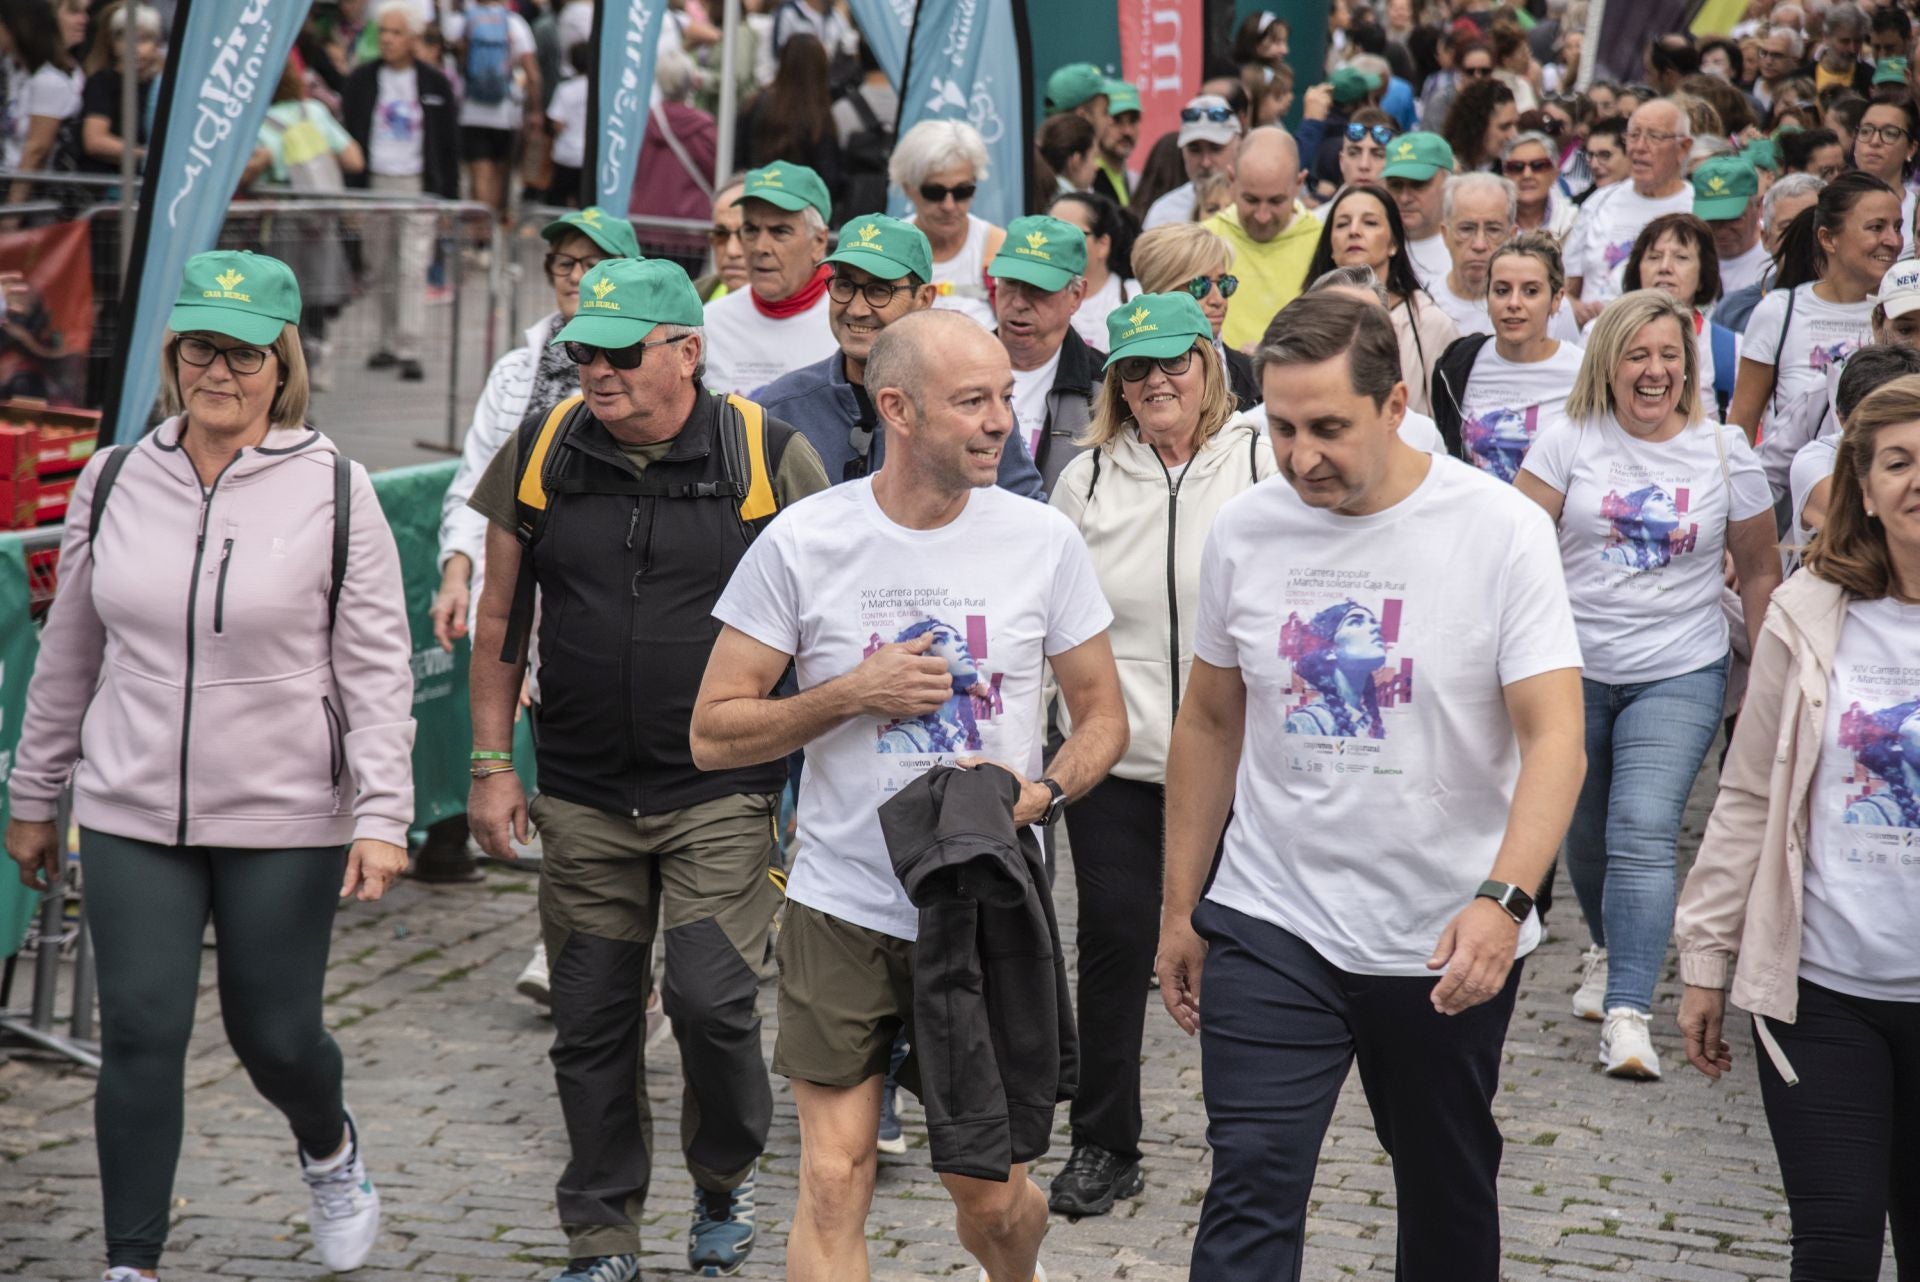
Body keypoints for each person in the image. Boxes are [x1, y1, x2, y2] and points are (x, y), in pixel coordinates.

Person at [690, 307, 1129, 1282]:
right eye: (971, 401)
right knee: (833, 1177)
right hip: (841, 897)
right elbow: (714, 728)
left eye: (1005, 397)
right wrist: (854, 692)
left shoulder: (1041, 540)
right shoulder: (807, 542)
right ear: (897, 407)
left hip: (981, 895)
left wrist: (1041, 789)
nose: (999, 421)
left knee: (993, 1199)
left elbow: (1103, 718)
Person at [1158, 288, 1585, 1279]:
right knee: (1251, 1179)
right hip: (1273, 917)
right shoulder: (1245, 531)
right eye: (1283, 427)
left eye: (1329, 428)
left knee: (1445, 1187)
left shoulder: (1496, 530)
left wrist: (1504, 900)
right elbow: (1210, 721)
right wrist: (1184, 906)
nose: (1303, 454)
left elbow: (1556, 735)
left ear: (1395, 406)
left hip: (1443, 933)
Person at [5, 250, 415, 1282]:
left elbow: (375, 666)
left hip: (284, 808)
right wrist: (34, 793)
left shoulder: (336, 486)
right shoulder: (112, 476)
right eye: (199, 350)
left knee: (274, 1035)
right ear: (173, 357)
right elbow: (71, 650)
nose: (217, 373)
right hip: (133, 800)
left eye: (240, 353)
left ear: (281, 363)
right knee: (141, 1029)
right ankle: (131, 1263)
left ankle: (329, 1147)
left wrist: (383, 815)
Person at [465, 258, 830, 1282]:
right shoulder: (542, 448)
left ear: (687, 351)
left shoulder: (768, 455)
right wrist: (493, 762)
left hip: (719, 786)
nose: (597, 370)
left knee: (714, 1001)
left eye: (621, 352)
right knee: (590, 1016)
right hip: (580, 790)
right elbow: (500, 617)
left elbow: (834, 624)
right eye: (583, 349)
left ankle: (723, 1176)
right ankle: (602, 1235)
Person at [1675, 374, 1920, 1279]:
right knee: (1834, 1243)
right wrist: (1704, 960)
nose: (1917, 480)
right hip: (1823, 993)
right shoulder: (1806, 614)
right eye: (1897, 461)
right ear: (1861, 484)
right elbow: (1744, 798)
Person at [1044, 291, 1274, 1219]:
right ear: (1116, 384)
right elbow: (1050, 621)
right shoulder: (1086, 480)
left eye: (1172, 361)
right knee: (1111, 944)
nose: (1155, 382)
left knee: (1246, 953)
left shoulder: (1261, 459)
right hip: (1120, 762)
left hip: (1241, 767)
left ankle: (1250, 1141)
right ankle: (1104, 1143)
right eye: (1135, 369)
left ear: (1209, 360)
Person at [1513, 290, 1780, 1077]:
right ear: (1609, 363)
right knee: (1584, 835)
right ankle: (1603, 945)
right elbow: (1517, 557)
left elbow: (1761, 570)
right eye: (1638, 355)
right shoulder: (1565, 442)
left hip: (1680, 668)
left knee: (1641, 828)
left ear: (1688, 367)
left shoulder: (1726, 451)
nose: (1655, 370)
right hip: (1571, 669)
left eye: (1669, 355)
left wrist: (1766, 678)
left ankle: (1629, 1011)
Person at [756, 211, 1043, 496]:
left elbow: (1026, 513)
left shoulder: (972, 401)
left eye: (879, 290)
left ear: (924, 299)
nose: (856, 309)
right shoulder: (783, 408)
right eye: (845, 285)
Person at [1730, 172, 1901, 497]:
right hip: (1800, 509)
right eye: (1876, 227)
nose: (1893, 240)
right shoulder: (1781, 311)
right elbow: (1741, 427)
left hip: (1892, 500)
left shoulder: (1905, 314)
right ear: (1828, 238)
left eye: (1897, 226)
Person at [341, 0, 459, 382]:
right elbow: (350, 134)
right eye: (384, 33)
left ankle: (409, 346)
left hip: (418, 185)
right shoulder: (361, 81)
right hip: (375, 183)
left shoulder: (435, 83)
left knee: (412, 267)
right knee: (379, 266)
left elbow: (447, 143)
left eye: (395, 33)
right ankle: (385, 342)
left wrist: (448, 200)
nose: (387, 40)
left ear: (412, 39)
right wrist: (351, 197)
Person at [1431, 231, 1585, 480]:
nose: (1513, 303)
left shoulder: (1584, 372)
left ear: (1556, 300)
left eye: (1531, 291)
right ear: (1488, 296)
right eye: (1502, 290)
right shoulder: (1457, 364)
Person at [1302, 181, 1460, 416]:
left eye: (1370, 222)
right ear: (1331, 248)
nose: (1354, 231)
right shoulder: (1303, 320)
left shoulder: (1430, 323)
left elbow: (1447, 416)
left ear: (1394, 243)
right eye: (1343, 224)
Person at [702, 161, 839, 395]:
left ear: (819, 241)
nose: (760, 247)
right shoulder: (710, 322)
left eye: (779, 231)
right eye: (751, 230)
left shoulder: (848, 321)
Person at [989, 214, 1103, 491]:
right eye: (1009, 283)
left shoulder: (1107, 385)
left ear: (1076, 296)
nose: (1018, 302)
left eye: (1037, 289)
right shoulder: (954, 367)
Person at [1565, 99, 1696, 325]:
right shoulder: (1599, 201)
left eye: (1654, 137)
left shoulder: (1696, 207)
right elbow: (1567, 287)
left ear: (1682, 148)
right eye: (1633, 136)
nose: (1639, 147)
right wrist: (1576, 309)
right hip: (1596, 341)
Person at [1203, 127, 1321, 353]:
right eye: (1251, 200)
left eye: (1276, 201)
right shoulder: (1203, 242)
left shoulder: (1326, 243)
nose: (1262, 216)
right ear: (1231, 181)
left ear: (1299, 184)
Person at [890, 119, 1005, 330]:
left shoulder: (999, 248)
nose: (949, 205)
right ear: (908, 188)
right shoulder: (887, 251)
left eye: (962, 191)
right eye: (935, 192)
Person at [1133, 222, 1259, 409]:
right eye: (1200, 286)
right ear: (1161, 291)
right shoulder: (1126, 374)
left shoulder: (1254, 373)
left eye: (1225, 284)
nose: (1218, 300)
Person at [1620, 212, 1729, 418]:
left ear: (1703, 276)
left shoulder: (1730, 349)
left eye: (1681, 258)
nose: (1664, 268)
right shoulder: (1598, 334)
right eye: (1654, 257)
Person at [443, 0, 541, 225]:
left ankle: (480, 238)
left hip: (470, 111)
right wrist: (535, 111)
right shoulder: (515, 24)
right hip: (506, 114)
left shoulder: (462, 21)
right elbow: (533, 74)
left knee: (479, 177)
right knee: (499, 177)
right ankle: (493, 235)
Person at [1716, 171, 1826, 333]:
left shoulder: (1861, 300)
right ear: (1766, 239)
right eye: (1787, 227)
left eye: (1810, 225)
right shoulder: (1735, 310)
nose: (1799, 236)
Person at [738, 33, 841, 195]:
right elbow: (829, 177)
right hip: (801, 203)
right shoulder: (818, 116)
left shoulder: (755, 104)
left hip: (756, 195)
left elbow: (739, 159)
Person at [1, 0, 83, 205]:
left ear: (15, 28)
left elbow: (37, 150)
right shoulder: (17, 73)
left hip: (33, 197)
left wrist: (14, 211)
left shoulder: (49, 81)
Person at [1426, 172, 1516, 335]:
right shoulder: (1421, 307)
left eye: (1493, 230)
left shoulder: (1543, 308)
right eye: (1466, 229)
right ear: (1445, 234)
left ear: (1512, 235)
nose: (1479, 244)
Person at [78, 2, 159, 175]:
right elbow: (95, 141)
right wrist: (148, 155)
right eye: (126, 39)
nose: (135, 48)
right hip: (107, 186)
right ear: (113, 43)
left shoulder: (159, 85)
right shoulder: (103, 82)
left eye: (143, 40)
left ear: (156, 45)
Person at [1142, 95, 1244, 231]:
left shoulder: (1257, 206)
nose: (1205, 162)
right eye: (1195, 150)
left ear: (1238, 146)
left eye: (1216, 149)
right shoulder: (1163, 214)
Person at [1050, 190, 1136, 351]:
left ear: (1103, 244)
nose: (1053, 241)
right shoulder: (1032, 298)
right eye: (1048, 232)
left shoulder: (1135, 299)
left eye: (1067, 233)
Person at [1380, 130, 1457, 291]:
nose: (1404, 198)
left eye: (1418, 184)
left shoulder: (1468, 248)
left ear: (1449, 185)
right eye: (1396, 185)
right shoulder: (1369, 246)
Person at [1851, 86, 1919, 251]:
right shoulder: (1828, 204)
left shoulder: (1917, 209)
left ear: (1911, 149)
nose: (1874, 141)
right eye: (1866, 131)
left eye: (1889, 133)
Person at [1692, 154, 1768, 297]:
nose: (1720, 230)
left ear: (1758, 206)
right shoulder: (1679, 258)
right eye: (1710, 220)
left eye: (1733, 219)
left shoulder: (1777, 260)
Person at [1501, 130, 1576, 239]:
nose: (1527, 175)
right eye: (1517, 167)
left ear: (1554, 174)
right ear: (1505, 175)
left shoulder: (1574, 221)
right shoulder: (1491, 221)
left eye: (1538, 166)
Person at [1442, 76, 1518, 174]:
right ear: (1477, 127)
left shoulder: (1519, 170)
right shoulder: (1445, 172)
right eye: (1504, 127)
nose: (1514, 135)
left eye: (1516, 124)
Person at [1799, 3, 1874, 95]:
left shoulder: (1871, 79)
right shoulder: (1800, 78)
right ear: (1826, 37)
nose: (1852, 49)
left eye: (1858, 41)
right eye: (1845, 41)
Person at [699, 175, 751, 303]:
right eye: (720, 234)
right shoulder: (691, 298)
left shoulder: (805, 315)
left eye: (747, 233)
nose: (731, 251)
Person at [1094, 79, 1141, 207]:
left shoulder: (1136, 180)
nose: (1127, 131)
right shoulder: (1088, 179)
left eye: (1133, 120)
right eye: (1117, 120)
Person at [1334, 110, 1400, 193]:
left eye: (1378, 155)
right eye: (1353, 153)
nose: (1364, 165)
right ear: (1341, 162)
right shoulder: (1327, 207)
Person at [1039, 112, 1100, 194]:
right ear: (1076, 161)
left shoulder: (1039, 196)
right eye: (1094, 157)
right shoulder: (1073, 204)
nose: (1097, 166)